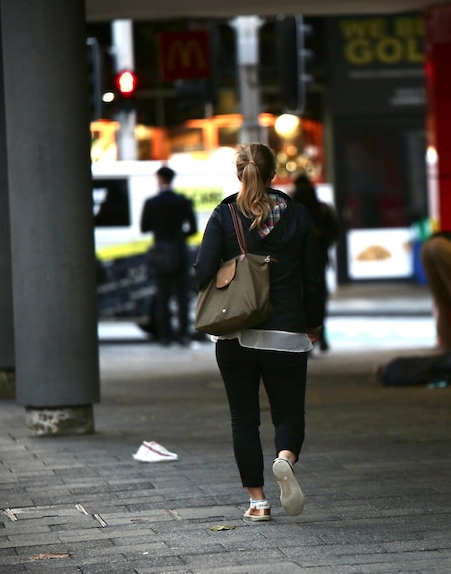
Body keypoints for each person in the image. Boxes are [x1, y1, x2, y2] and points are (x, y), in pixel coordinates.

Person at [193, 143, 324, 522]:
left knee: (243, 419)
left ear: (239, 174)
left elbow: (203, 272)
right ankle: (284, 458)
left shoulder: (224, 214)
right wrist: (312, 323)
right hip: (286, 333)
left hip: (236, 334)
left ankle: (258, 502)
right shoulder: (298, 216)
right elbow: (313, 277)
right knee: (288, 412)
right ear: (273, 173)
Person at [140, 166, 198, 346]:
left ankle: (165, 337)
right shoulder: (182, 201)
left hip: (161, 253)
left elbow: (144, 227)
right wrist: (180, 237)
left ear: (160, 179)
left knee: (163, 296)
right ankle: (183, 335)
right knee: (181, 296)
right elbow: (193, 228)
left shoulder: (152, 202)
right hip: (180, 251)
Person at [291, 174, 338, 352]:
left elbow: (333, 232)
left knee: (306, 300)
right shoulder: (319, 208)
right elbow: (334, 232)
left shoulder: (293, 210)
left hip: (306, 261)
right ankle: (318, 335)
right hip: (314, 261)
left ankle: (317, 336)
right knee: (316, 298)